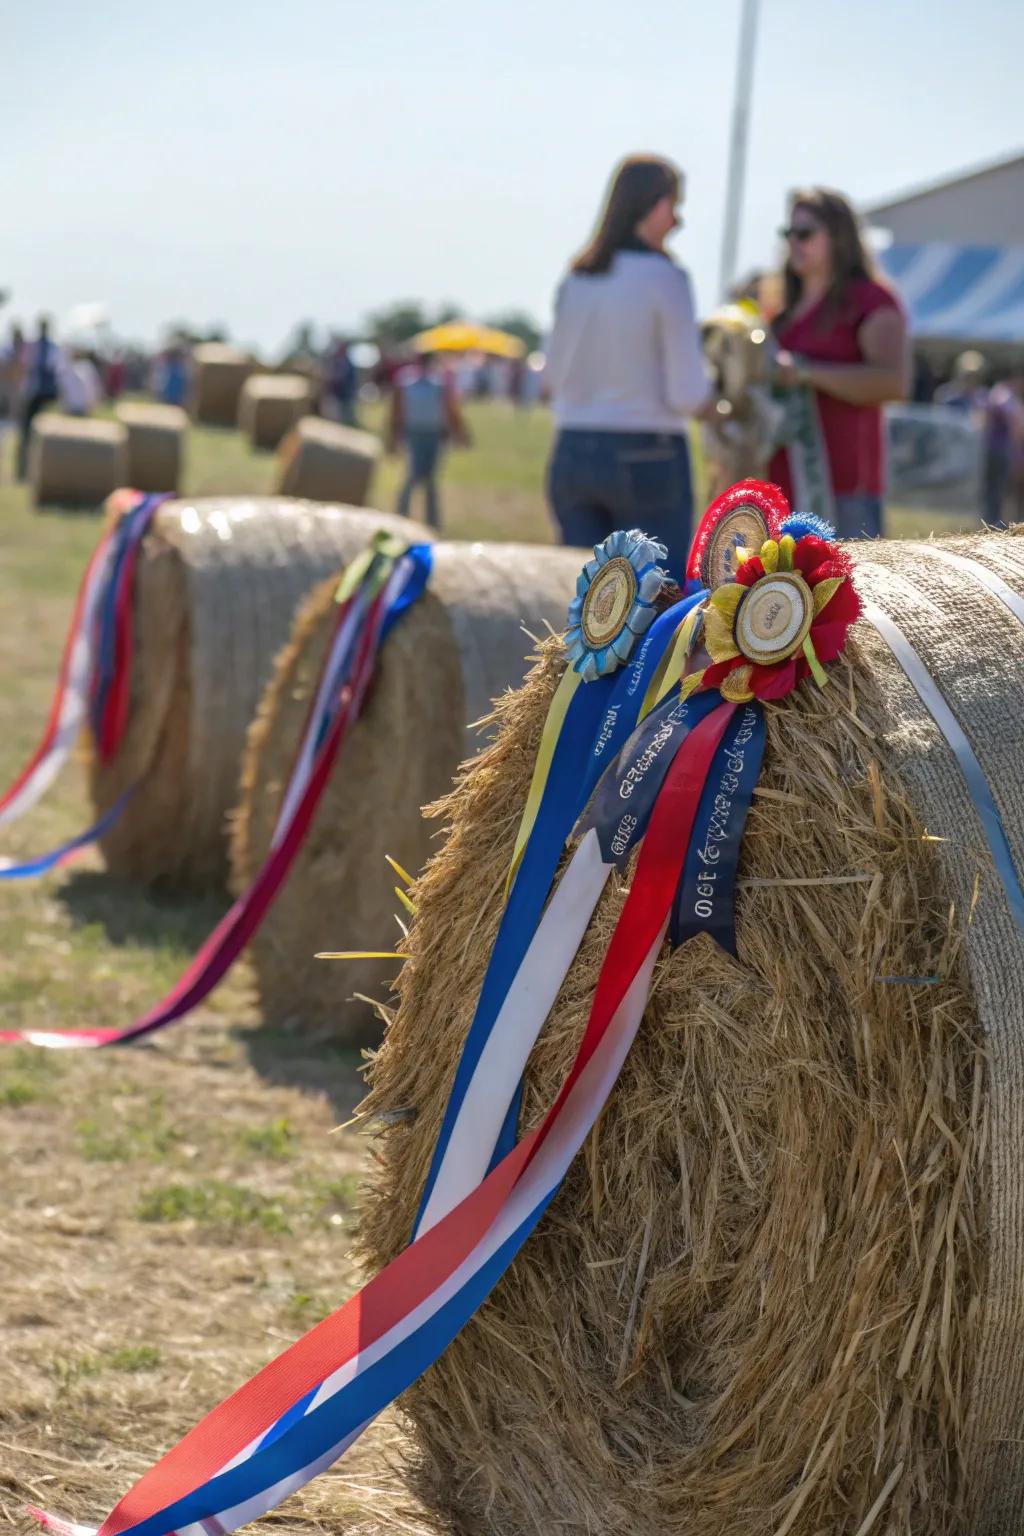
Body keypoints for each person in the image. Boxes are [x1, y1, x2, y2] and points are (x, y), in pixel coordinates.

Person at [543, 153, 709, 579]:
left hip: (572, 450)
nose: (677, 221)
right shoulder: (666, 277)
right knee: (656, 607)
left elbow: (552, 377)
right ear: (655, 205)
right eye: (674, 207)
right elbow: (686, 394)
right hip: (647, 454)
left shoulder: (576, 278)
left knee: (585, 614)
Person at [768, 188, 909, 539]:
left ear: (839, 237)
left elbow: (894, 383)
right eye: (789, 234)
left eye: (805, 234)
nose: (794, 243)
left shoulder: (872, 300)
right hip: (780, 489)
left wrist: (807, 372)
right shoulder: (783, 309)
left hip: (845, 493)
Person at [388, 351, 469, 529]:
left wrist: (459, 433)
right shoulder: (406, 382)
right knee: (412, 475)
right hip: (414, 433)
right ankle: (401, 515)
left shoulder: (439, 383)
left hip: (435, 434)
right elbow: (397, 411)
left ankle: (432, 522)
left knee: (431, 479)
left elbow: (450, 409)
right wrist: (393, 437)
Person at [16, 315, 63, 480]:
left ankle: (40, 472)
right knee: (26, 435)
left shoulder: (45, 347)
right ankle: (23, 471)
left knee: (42, 436)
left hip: (44, 396)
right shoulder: (37, 347)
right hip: (34, 394)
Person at [980, 369, 1024, 523]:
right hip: (1003, 451)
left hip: (994, 450)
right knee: (1000, 491)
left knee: (995, 491)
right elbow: (1016, 428)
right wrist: (1018, 455)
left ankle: (994, 521)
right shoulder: (1005, 396)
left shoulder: (995, 394)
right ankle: (995, 523)